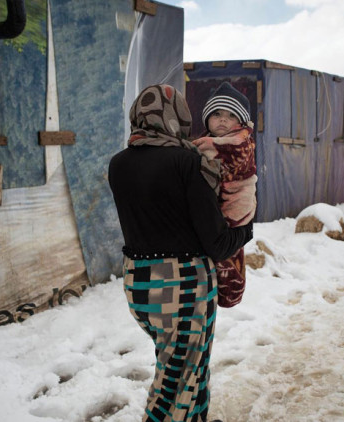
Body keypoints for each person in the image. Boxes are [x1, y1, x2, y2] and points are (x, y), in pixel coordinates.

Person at [108, 84, 253, 422]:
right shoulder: (188, 162)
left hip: (138, 285)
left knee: (184, 367)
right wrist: (245, 231)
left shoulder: (118, 163)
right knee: (177, 382)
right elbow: (217, 243)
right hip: (184, 285)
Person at [192, 82, 257, 308]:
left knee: (228, 256)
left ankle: (230, 292)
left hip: (235, 207)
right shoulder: (206, 143)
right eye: (217, 114)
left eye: (231, 116)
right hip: (218, 209)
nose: (223, 120)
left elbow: (219, 157)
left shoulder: (239, 143)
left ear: (240, 122)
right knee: (223, 255)